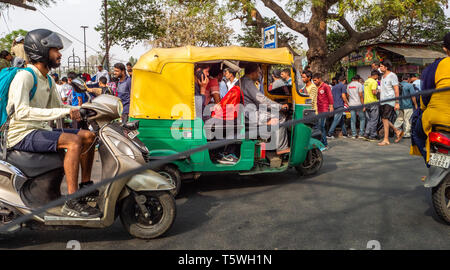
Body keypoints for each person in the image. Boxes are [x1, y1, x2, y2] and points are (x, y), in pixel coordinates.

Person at [7, 29, 100, 218]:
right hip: (21, 134)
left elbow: (58, 108)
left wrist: (82, 111)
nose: (59, 54)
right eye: (55, 50)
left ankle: (85, 188)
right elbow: (22, 111)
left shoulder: (47, 79)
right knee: (73, 142)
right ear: (40, 52)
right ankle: (72, 201)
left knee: (88, 137)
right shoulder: (25, 76)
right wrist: (65, 110)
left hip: (40, 130)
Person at [411, 32, 450, 165]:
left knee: (416, 133)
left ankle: (431, 163)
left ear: (444, 48)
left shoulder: (434, 67)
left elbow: (425, 97)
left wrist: (423, 109)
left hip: (436, 118)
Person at [241, 63, 290, 155]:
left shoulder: (242, 80)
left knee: (271, 114)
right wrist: (280, 106)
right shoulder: (248, 83)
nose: (259, 75)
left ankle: (271, 142)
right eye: (259, 72)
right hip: (250, 115)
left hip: (246, 113)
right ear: (253, 72)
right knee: (281, 117)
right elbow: (262, 100)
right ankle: (282, 148)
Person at [378, 59, 401, 146]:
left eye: (381, 66)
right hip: (382, 100)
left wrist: (397, 102)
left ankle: (386, 139)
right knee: (384, 119)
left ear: (386, 67)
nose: (380, 68)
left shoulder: (392, 75)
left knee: (384, 118)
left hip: (390, 100)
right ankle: (397, 130)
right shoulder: (382, 76)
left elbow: (396, 89)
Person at [393, 75, 418, 142]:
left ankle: (396, 129)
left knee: (399, 118)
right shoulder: (409, 86)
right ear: (408, 79)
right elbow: (413, 96)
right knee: (407, 119)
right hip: (408, 105)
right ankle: (406, 133)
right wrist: (415, 105)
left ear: (402, 78)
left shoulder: (398, 85)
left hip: (399, 105)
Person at [312, 73, 333, 149]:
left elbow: (330, 96)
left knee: (321, 126)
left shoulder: (326, 86)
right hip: (316, 109)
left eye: (315, 80)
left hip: (324, 109)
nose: (314, 82)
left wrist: (331, 107)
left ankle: (324, 143)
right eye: (313, 80)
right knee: (317, 127)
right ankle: (320, 142)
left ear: (319, 79)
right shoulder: (314, 87)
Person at [363, 70, 380, 141]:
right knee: (374, 120)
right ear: (375, 75)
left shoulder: (366, 81)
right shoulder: (374, 82)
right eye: (378, 76)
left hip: (366, 102)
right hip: (373, 102)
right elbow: (374, 92)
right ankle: (373, 135)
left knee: (369, 119)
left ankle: (366, 134)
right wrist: (379, 91)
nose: (377, 78)